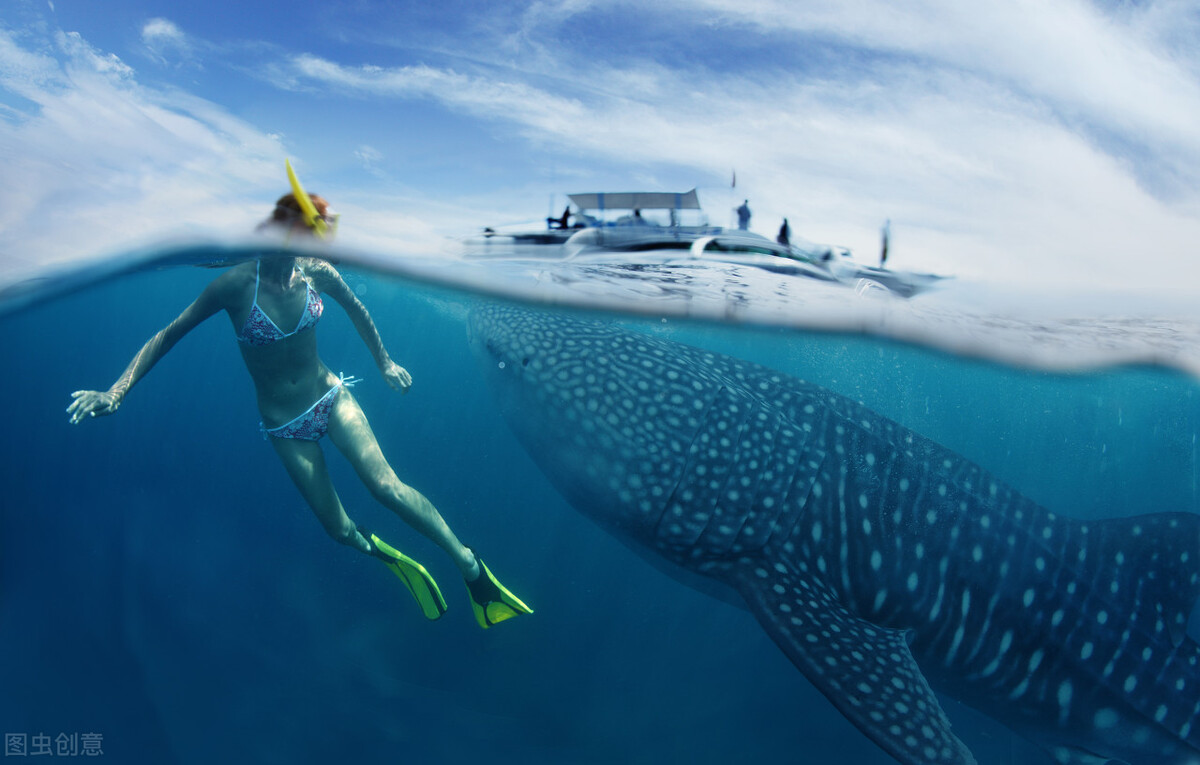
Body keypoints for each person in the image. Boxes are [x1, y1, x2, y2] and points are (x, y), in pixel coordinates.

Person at [66, 163, 532, 629]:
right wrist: (118, 390)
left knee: (386, 486)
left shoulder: (317, 273)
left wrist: (384, 361)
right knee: (339, 530)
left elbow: (358, 309)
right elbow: (169, 334)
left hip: (330, 397)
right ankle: (387, 555)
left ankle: (472, 570)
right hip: (284, 425)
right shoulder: (234, 285)